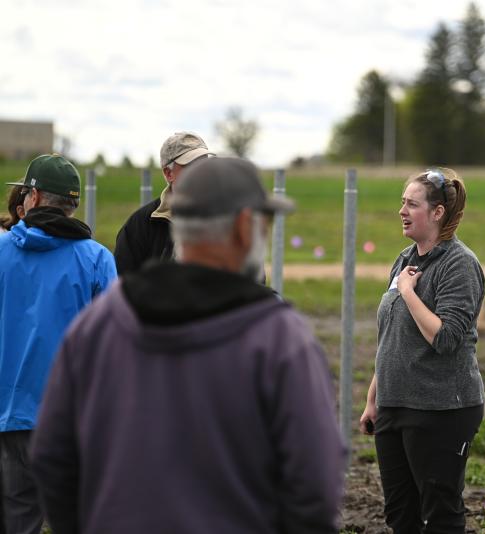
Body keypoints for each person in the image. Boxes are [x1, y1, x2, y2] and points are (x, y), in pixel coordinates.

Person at [31, 157, 347, 534]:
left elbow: (52, 455)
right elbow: (315, 483)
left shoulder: (100, 324)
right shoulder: (279, 339)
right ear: (246, 227)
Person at [359, 168, 485, 534]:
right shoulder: (404, 260)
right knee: (400, 515)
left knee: (440, 514)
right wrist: (373, 399)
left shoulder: (458, 264)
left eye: (412, 204)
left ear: (437, 213)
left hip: (442, 408)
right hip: (394, 407)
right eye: (403, 202)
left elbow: (445, 339)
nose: (402, 210)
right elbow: (391, 338)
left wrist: (410, 294)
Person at [0, 154, 116, 534]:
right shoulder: (97, 259)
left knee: (18, 519)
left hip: (10, 418)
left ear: (31, 196)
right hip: (72, 420)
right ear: (73, 204)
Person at [114, 131, 214, 274]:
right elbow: (124, 285)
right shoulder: (139, 225)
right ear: (168, 173)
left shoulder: (227, 219)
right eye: (191, 166)